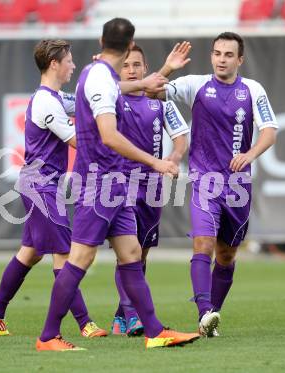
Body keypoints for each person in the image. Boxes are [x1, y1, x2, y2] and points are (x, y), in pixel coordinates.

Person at [35, 18, 200, 351]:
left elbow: (117, 88)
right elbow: (109, 136)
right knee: (80, 258)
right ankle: (48, 336)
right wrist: (155, 161)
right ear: (129, 45)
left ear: (101, 41)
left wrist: (154, 76)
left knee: (131, 253)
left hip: (115, 182)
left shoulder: (99, 74)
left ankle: (154, 331)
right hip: (99, 181)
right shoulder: (99, 78)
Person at [0, 39, 108, 338]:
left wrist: (105, 74)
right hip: (41, 187)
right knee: (64, 255)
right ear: (54, 64)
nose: (73, 65)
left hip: (42, 185)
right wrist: (114, 142)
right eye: (70, 60)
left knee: (31, 253)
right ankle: (85, 323)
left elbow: (91, 101)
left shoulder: (56, 97)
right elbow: (79, 140)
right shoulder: (47, 101)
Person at [159, 32, 278, 337]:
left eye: (228, 55)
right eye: (217, 53)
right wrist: (168, 69)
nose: (221, 60)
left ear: (240, 59)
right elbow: (152, 91)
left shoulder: (253, 90)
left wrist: (249, 154)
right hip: (204, 180)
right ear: (211, 56)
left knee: (226, 255)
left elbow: (269, 131)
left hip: (238, 186)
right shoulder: (196, 85)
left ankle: (211, 317)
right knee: (203, 244)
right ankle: (204, 314)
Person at [111, 44, 190, 337]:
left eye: (137, 65)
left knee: (140, 254)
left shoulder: (159, 100)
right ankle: (133, 315)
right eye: (126, 65)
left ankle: (123, 315)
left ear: (145, 68)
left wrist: (175, 156)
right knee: (128, 252)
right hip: (120, 184)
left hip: (153, 186)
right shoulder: (114, 99)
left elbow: (181, 135)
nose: (132, 70)